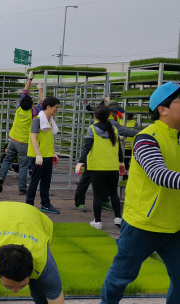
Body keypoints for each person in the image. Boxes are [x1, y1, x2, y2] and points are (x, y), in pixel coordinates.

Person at [101, 81, 180, 303]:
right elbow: (158, 174)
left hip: (175, 225)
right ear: (162, 110)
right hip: (142, 225)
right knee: (120, 278)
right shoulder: (147, 137)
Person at [0, 201, 64, 304]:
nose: (16, 292)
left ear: (32, 268)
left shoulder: (44, 265)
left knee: (41, 286)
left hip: (31, 217)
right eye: (8, 286)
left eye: (22, 286)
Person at [74, 98, 139, 212]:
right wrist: (143, 132)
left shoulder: (107, 122)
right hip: (96, 159)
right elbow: (124, 131)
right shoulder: (111, 123)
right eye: (114, 111)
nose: (115, 114)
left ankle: (93, 202)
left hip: (102, 159)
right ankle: (82, 202)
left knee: (88, 181)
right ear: (110, 112)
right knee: (87, 181)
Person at [75, 104, 124, 229]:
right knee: (113, 194)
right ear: (108, 115)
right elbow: (119, 149)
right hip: (112, 167)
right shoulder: (114, 129)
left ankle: (98, 222)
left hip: (96, 167)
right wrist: (121, 163)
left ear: (95, 116)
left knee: (97, 196)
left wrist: (80, 162)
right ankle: (118, 218)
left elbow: (87, 147)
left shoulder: (92, 128)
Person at [0, 71, 44, 195]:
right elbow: (42, 104)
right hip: (24, 143)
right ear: (31, 105)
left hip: (12, 140)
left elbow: (24, 92)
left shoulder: (18, 109)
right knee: (23, 166)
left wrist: (30, 79)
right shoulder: (32, 113)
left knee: (7, 160)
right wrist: (41, 90)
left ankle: (1, 178)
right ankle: (22, 188)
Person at [26, 96, 60, 214]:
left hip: (47, 155)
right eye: (56, 107)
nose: (57, 110)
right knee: (35, 181)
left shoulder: (49, 121)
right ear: (49, 107)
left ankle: (45, 204)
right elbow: (33, 137)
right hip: (39, 157)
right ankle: (29, 204)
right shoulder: (37, 120)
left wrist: (53, 152)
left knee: (46, 182)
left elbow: (48, 139)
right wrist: (38, 154)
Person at [119, 113, 138, 177]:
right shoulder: (119, 121)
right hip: (120, 146)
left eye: (124, 114)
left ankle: (124, 177)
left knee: (126, 163)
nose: (122, 115)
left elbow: (136, 132)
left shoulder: (134, 123)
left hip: (129, 146)